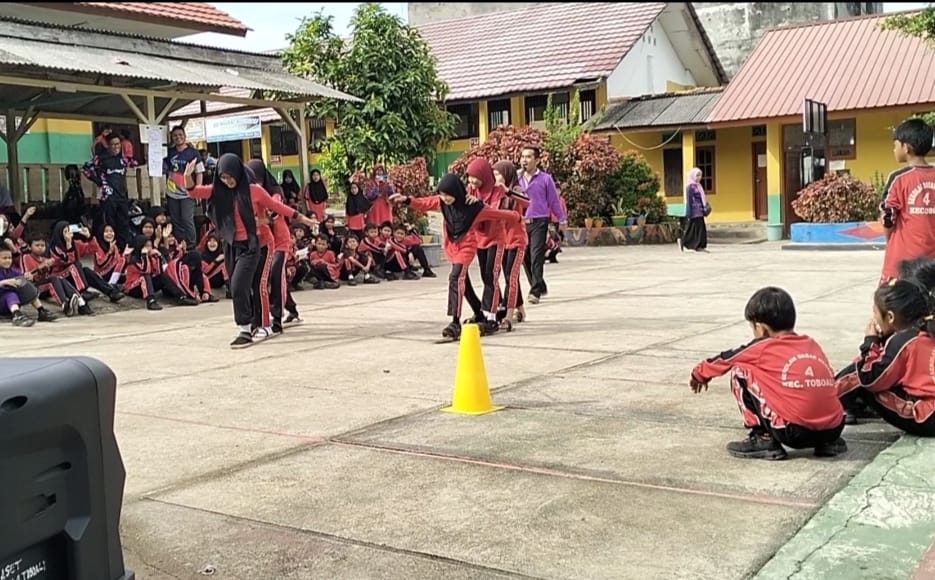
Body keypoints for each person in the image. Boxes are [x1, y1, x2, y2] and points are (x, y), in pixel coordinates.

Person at [689, 286, 847, 460]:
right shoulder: (812, 344)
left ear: (760, 328)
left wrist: (699, 374)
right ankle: (828, 444)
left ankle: (763, 438)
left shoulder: (762, 347)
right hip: (834, 428)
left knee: (740, 370)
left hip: (794, 433)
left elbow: (725, 359)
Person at [188, 154, 316, 348]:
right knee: (237, 286)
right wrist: (188, 177)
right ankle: (253, 323)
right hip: (231, 244)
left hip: (253, 244)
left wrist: (303, 218)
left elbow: (277, 207)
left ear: (239, 174)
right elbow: (194, 192)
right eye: (223, 177)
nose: (228, 181)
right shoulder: (219, 191)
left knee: (244, 285)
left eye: (231, 177)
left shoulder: (254, 191)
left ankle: (248, 328)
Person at [389, 173, 521, 340]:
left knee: (455, 277)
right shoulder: (442, 202)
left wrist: (517, 217)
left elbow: (497, 214)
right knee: (462, 282)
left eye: (447, 195)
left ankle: (455, 322)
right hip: (452, 245)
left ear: (456, 192)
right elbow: (424, 203)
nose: (444, 198)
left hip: (467, 245)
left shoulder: (474, 207)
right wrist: (406, 200)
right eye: (442, 194)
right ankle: (477, 309)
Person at [839, 279, 935, 437]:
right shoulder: (927, 329)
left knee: (861, 375)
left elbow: (871, 379)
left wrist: (871, 341)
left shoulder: (904, 341)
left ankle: (822, 403)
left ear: (890, 317)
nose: (873, 318)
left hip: (928, 415)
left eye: (875, 313)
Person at [879, 118, 935, 286]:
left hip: (901, 265)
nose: (894, 149)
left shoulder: (899, 178)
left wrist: (891, 242)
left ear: (906, 147)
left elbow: (887, 218)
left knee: (888, 305)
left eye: (895, 145)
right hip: (931, 264)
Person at [519, 146, 566, 304]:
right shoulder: (517, 179)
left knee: (536, 255)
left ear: (537, 160)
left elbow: (553, 201)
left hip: (539, 221)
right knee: (524, 256)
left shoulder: (546, 179)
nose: (524, 160)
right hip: (521, 222)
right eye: (523, 156)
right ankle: (539, 283)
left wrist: (561, 219)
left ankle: (535, 291)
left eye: (528, 156)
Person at [493, 160, 530, 327]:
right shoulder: (494, 193)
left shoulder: (516, 190)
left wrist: (507, 191)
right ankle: (520, 309)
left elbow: (526, 202)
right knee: (507, 275)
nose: (495, 178)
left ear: (506, 175)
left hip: (516, 239)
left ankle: (508, 315)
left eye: (498, 174)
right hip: (502, 239)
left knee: (511, 276)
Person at [82, 132, 134, 249]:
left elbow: (135, 163)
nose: (116, 147)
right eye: (113, 144)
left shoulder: (123, 159)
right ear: (108, 146)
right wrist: (98, 181)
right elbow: (85, 169)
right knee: (109, 224)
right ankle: (108, 248)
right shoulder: (100, 159)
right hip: (108, 197)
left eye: (118, 144)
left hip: (121, 196)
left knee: (124, 223)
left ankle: (122, 248)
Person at [163, 126, 204, 248]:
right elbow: (163, 170)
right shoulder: (169, 153)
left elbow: (199, 172)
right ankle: (180, 245)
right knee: (176, 220)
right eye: (175, 135)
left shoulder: (193, 153)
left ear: (185, 136)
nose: (178, 137)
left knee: (187, 219)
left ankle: (191, 246)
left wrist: (198, 190)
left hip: (188, 192)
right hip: (172, 192)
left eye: (180, 135)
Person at [680, 167, 709, 253]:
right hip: (694, 211)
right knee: (692, 229)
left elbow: (702, 198)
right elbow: (689, 200)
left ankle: (700, 245)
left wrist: (704, 208)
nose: (699, 177)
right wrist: (689, 212)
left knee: (701, 228)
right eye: (697, 175)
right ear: (693, 176)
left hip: (700, 210)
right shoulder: (690, 187)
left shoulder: (699, 186)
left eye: (700, 175)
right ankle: (685, 242)